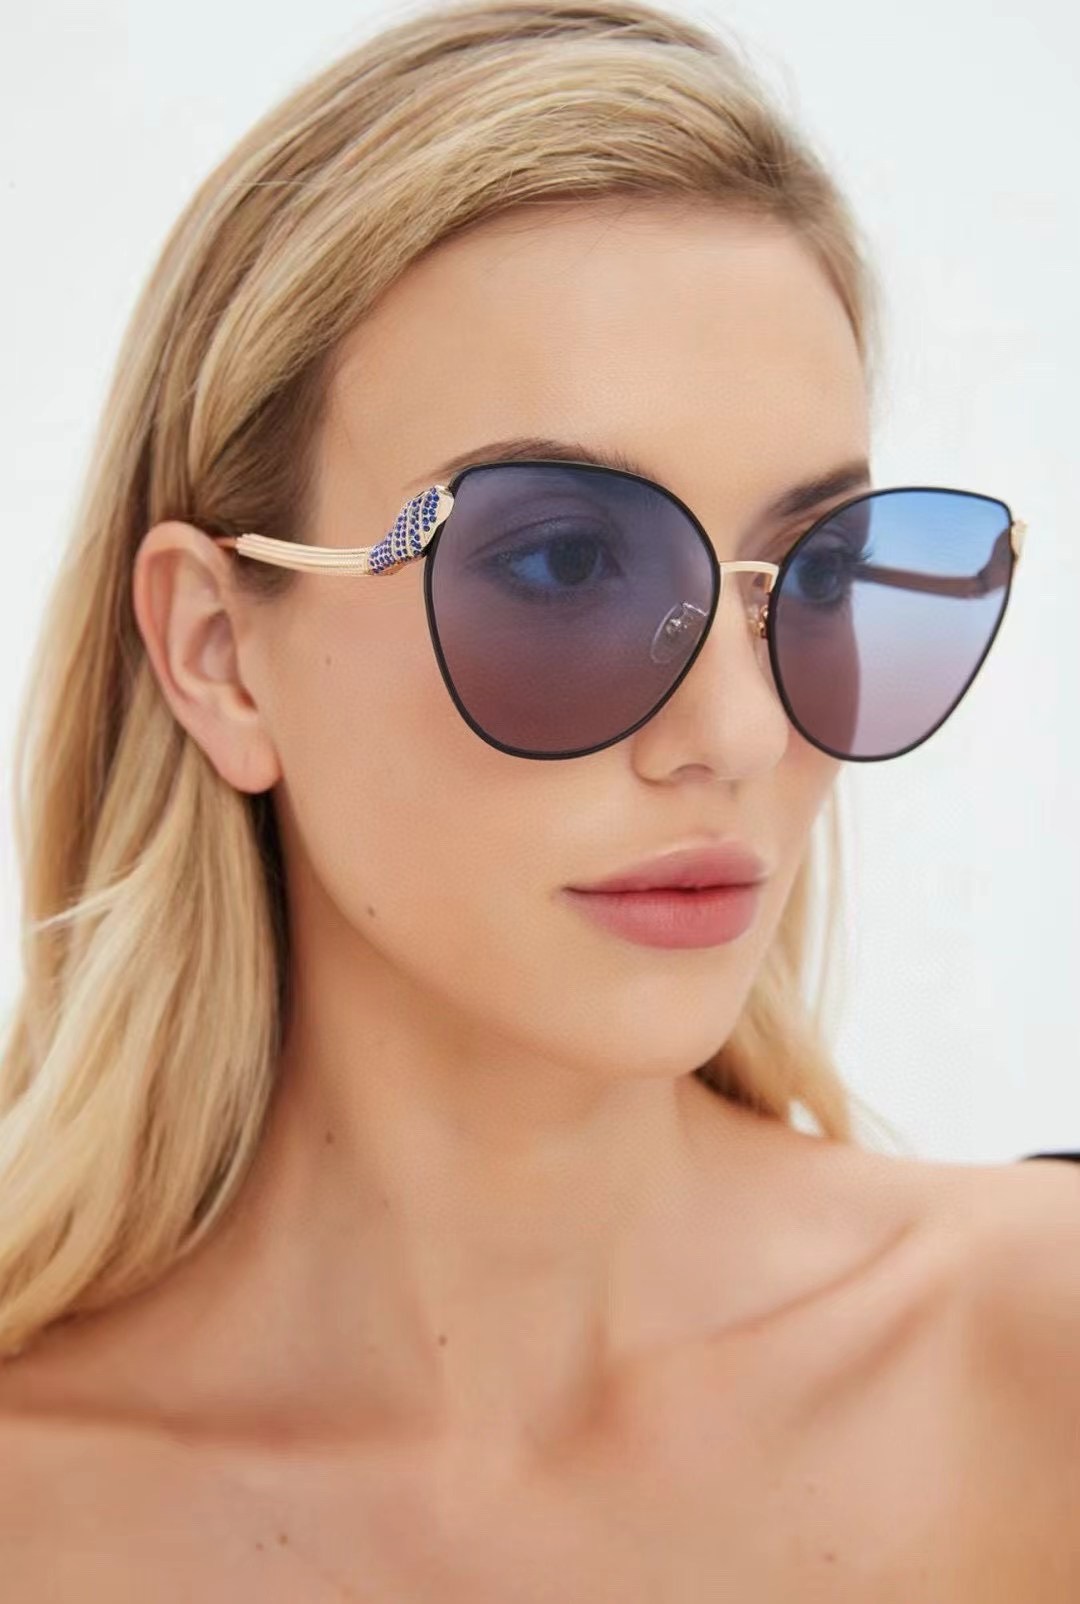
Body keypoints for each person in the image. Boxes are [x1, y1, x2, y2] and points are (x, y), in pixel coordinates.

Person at [1, 1, 1077, 1596]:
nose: (738, 733)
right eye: (569, 563)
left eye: (816, 570)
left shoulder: (1040, 1361)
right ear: (219, 654)